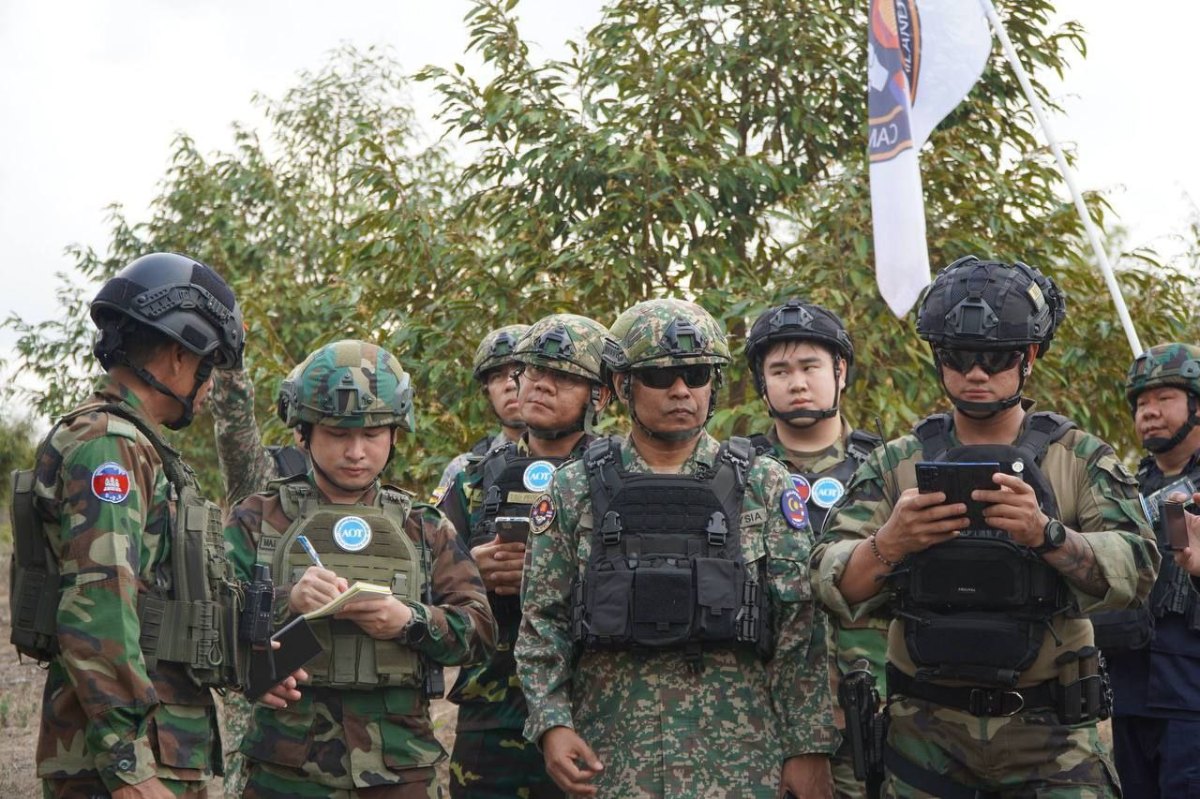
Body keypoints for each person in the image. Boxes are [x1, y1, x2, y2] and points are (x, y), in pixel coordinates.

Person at [811, 256, 1159, 798]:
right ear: (938, 358)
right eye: (958, 356)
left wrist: (1047, 535)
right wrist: (889, 544)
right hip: (924, 742)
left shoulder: (1078, 458)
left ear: (1029, 357)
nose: (976, 373)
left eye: (995, 358)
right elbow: (829, 579)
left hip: (1052, 744)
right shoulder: (896, 463)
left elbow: (1140, 568)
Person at [517, 298, 838, 798]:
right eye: (660, 376)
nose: (681, 390)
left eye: (697, 373)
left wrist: (807, 748)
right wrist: (552, 723)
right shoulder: (573, 488)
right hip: (612, 758)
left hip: (741, 760)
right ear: (623, 384)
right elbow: (543, 620)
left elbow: (799, 627)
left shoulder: (763, 483)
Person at [13, 252, 301, 799]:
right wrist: (129, 767)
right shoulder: (111, 448)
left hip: (160, 742)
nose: (210, 385)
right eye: (209, 366)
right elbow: (99, 606)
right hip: (125, 761)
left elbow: (167, 603)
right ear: (178, 355)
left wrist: (249, 664)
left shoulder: (138, 447)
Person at [224, 339, 497, 798]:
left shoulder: (424, 527)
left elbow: (481, 632)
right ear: (303, 433)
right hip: (287, 770)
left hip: (401, 768)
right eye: (337, 434)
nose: (356, 452)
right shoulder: (258, 519)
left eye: (372, 435)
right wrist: (286, 600)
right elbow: (211, 629)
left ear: (394, 434)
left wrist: (410, 620)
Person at [442, 314, 610, 799]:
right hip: (492, 714)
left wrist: (552, 574)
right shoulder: (474, 477)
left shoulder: (617, 479)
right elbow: (421, 582)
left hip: (592, 711)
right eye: (534, 371)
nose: (541, 385)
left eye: (563, 377)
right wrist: (472, 569)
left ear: (599, 396)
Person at [744, 299, 883, 799]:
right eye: (780, 371)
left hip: (876, 706)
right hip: (762, 716)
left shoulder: (886, 468)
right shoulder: (735, 474)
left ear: (840, 372)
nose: (797, 383)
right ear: (762, 383)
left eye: (811, 367)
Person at [1095, 343, 1200, 798]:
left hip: (1191, 702)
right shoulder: (1123, 493)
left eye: (1164, 398)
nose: (1149, 412)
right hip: (1130, 695)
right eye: (1141, 403)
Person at [429, 324, 530, 506]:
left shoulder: (585, 461)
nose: (510, 384)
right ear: (487, 393)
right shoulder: (463, 471)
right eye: (497, 376)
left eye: (519, 371)